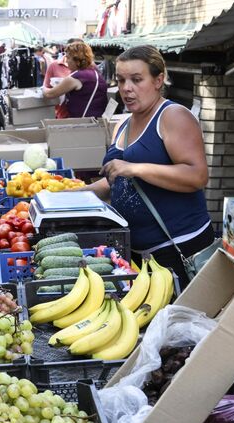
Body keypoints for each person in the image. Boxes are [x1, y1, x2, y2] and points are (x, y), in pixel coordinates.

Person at [81, 45, 213, 285]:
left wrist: (134, 168)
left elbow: (197, 176)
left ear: (158, 80)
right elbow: (115, 179)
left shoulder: (173, 116)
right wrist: (67, 195)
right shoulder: (123, 125)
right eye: (121, 80)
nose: (126, 88)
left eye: (136, 79)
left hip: (179, 249)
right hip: (137, 255)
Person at [42, 41, 107, 119]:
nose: (66, 61)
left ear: (77, 59)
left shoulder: (76, 77)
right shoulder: (94, 73)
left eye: (68, 57)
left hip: (83, 123)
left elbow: (49, 94)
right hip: (97, 120)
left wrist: (43, 88)